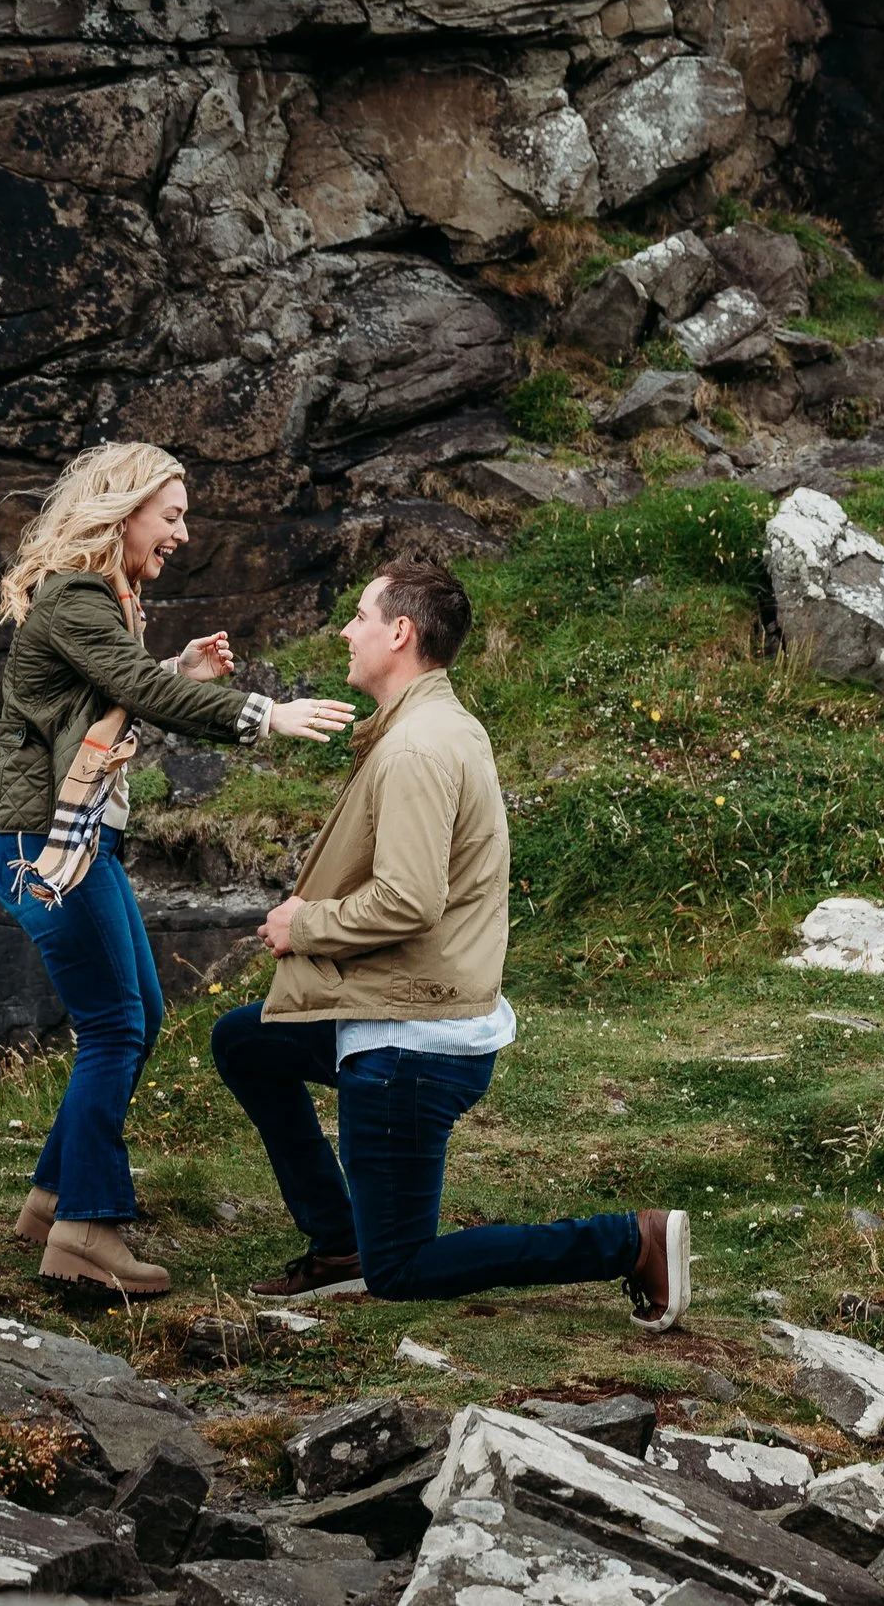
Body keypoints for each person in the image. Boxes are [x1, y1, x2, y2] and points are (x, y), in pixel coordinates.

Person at [210, 559, 691, 1331]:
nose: (346, 628)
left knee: (400, 1269)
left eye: (360, 615)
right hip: (411, 1007)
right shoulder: (439, 724)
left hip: (411, 1041)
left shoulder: (415, 749)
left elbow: (407, 899)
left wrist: (302, 925)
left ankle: (628, 1242)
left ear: (400, 632)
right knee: (245, 1040)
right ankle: (339, 1241)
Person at [0, 441, 356, 1296]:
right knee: (115, 1023)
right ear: (122, 510)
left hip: (68, 840)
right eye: (172, 514)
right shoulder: (77, 598)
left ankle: (50, 1199)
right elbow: (135, 694)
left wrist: (176, 670)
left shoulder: (104, 602)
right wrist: (266, 711)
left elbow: (117, 692)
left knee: (134, 1011)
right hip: (46, 844)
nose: (182, 533)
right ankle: (86, 1229)